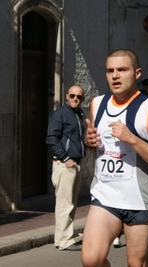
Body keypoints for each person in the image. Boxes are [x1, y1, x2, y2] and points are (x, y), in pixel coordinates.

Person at [81, 49, 148, 267]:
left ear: (137, 73)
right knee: (91, 259)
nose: (115, 76)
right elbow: (99, 148)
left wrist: (133, 139)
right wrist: (90, 142)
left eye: (122, 70)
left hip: (138, 199)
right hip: (106, 194)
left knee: (136, 263)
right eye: (110, 70)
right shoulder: (97, 104)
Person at [45, 85, 86, 251]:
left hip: (75, 163)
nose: (76, 99)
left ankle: (64, 236)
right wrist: (66, 158)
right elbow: (51, 138)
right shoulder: (60, 114)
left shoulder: (79, 114)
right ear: (66, 96)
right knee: (64, 204)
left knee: (71, 203)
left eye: (79, 97)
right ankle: (64, 240)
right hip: (64, 165)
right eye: (73, 96)